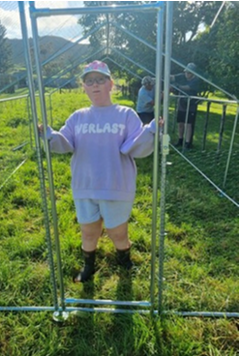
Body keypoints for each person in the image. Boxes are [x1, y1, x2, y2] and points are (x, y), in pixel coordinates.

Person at [38, 60, 161, 283]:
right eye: (89, 81)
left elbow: (136, 145)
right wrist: (48, 135)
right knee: (88, 232)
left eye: (100, 80)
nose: (95, 85)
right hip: (85, 186)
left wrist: (151, 131)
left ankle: (124, 262)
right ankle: (88, 266)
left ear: (110, 84)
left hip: (116, 184)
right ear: (83, 87)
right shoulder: (78, 117)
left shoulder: (125, 114)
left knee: (117, 232)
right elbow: (64, 142)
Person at [170, 63, 201, 148]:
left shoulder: (196, 80)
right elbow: (172, 77)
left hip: (191, 105)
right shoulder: (182, 76)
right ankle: (180, 140)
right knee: (180, 123)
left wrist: (177, 86)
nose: (187, 74)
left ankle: (187, 143)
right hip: (182, 104)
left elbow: (187, 87)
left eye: (189, 73)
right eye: (186, 72)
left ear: (193, 73)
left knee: (188, 124)